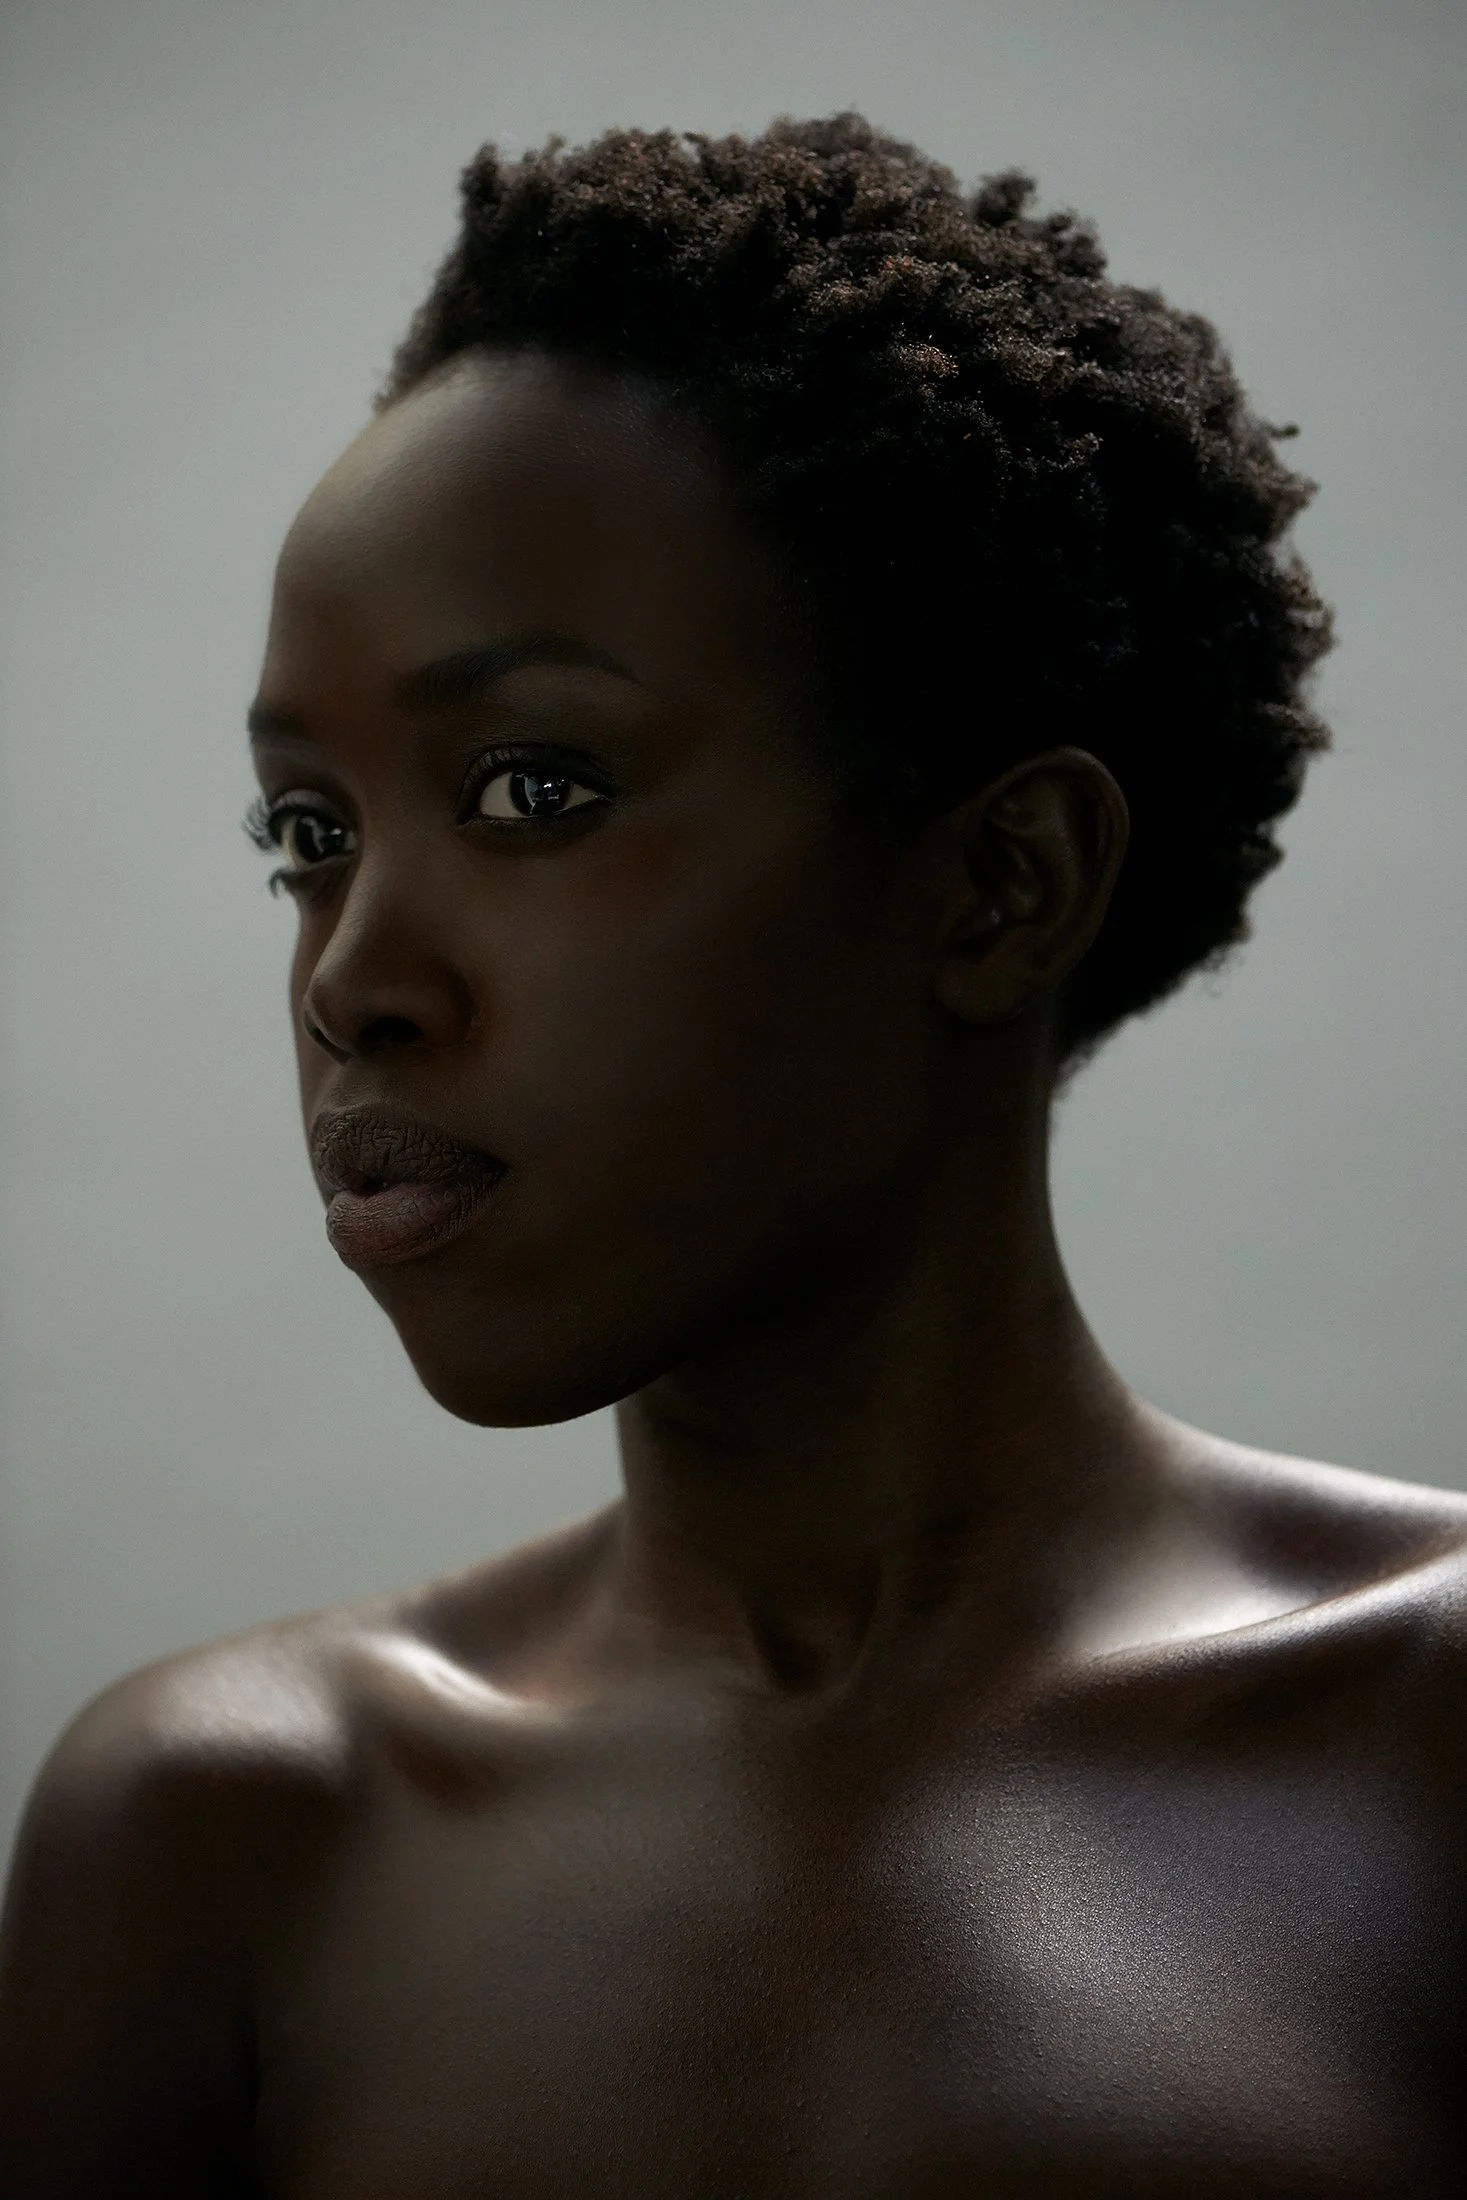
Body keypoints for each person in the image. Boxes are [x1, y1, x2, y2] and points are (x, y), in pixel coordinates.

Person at [1, 111, 1463, 2196]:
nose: (354, 977)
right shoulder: (227, 1826)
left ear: (1000, 884)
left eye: (530, 787)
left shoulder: (1424, 1729)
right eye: (306, 833)